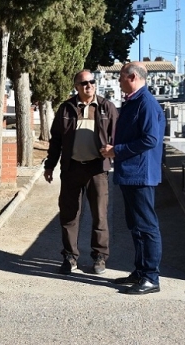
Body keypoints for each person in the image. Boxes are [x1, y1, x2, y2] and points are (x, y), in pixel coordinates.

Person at [100, 61, 166, 295]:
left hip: (141, 173)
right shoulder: (134, 102)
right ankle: (140, 271)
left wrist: (117, 150)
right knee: (136, 226)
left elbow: (150, 139)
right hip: (131, 173)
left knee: (147, 226)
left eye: (120, 77)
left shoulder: (146, 103)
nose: (118, 81)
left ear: (132, 78)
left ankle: (151, 277)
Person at [44, 70, 118, 275]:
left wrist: (113, 154)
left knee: (100, 216)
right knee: (69, 215)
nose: (89, 86)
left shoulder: (106, 107)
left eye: (92, 82)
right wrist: (49, 165)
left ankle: (100, 257)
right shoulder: (66, 109)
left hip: (97, 170)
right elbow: (56, 140)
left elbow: (117, 137)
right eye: (84, 83)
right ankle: (70, 257)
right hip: (72, 168)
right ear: (76, 86)